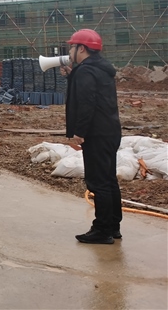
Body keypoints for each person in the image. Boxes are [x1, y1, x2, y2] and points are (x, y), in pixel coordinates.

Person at [62, 29, 122, 244]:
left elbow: (87, 103)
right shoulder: (101, 68)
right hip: (110, 131)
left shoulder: (86, 71)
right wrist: (72, 76)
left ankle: (102, 230)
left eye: (72, 47)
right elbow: (93, 92)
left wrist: (79, 132)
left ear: (82, 48)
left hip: (96, 134)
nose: (69, 51)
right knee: (109, 180)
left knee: (98, 182)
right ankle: (113, 226)